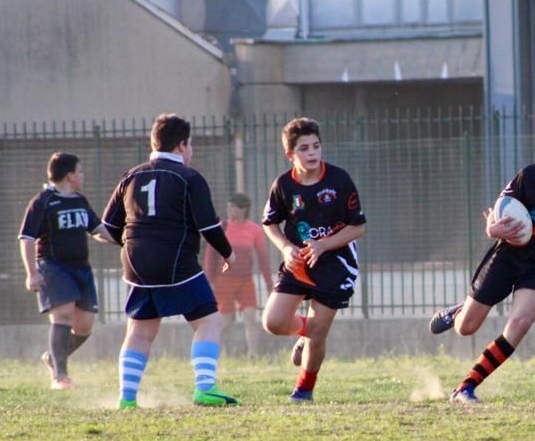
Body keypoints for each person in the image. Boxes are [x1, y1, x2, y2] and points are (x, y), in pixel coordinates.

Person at [429, 118, 535, 403]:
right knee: (466, 328)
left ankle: (466, 386)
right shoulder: (532, 176)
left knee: (520, 323)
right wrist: (492, 229)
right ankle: (460, 310)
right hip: (508, 255)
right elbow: (500, 209)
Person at [102, 113, 237, 409]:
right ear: (182, 145)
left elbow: (108, 231)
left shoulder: (131, 175)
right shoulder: (189, 177)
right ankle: (205, 388)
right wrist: (228, 252)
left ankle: (127, 399)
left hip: (134, 264)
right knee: (209, 321)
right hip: (175, 262)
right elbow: (209, 226)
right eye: (191, 145)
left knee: (139, 332)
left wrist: (131, 242)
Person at [261, 117, 367, 403]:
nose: (312, 153)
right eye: (304, 148)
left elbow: (358, 227)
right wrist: (284, 247)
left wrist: (323, 245)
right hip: (298, 262)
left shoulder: (339, 179)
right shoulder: (283, 185)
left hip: (335, 263)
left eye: (316, 146)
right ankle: (308, 331)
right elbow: (269, 223)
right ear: (290, 154)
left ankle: (304, 390)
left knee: (318, 335)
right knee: (273, 322)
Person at [18, 152, 114, 390]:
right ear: (70, 176)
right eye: (80, 172)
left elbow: (98, 229)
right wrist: (31, 272)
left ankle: (53, 357)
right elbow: (27, 239)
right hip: (53, 266)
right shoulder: (42, 202)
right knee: (63, 316)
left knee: (84, 325)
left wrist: (126, 240)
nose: (83, 176)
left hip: (81, 268)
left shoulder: (79, 201)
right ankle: (60, 376)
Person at [204, 193, 274, 358]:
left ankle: (254, 355)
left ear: (244, 209)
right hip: (225, 281)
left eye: (233, 207)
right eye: (228, 207)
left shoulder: (254, 230)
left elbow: (263, 258)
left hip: (246, 281)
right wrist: (211, 280)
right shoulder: (221, 227)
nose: (230, 210)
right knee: (226, 321)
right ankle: (211, 353)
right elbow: (210, 255)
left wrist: (269, 284)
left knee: (251, 318)